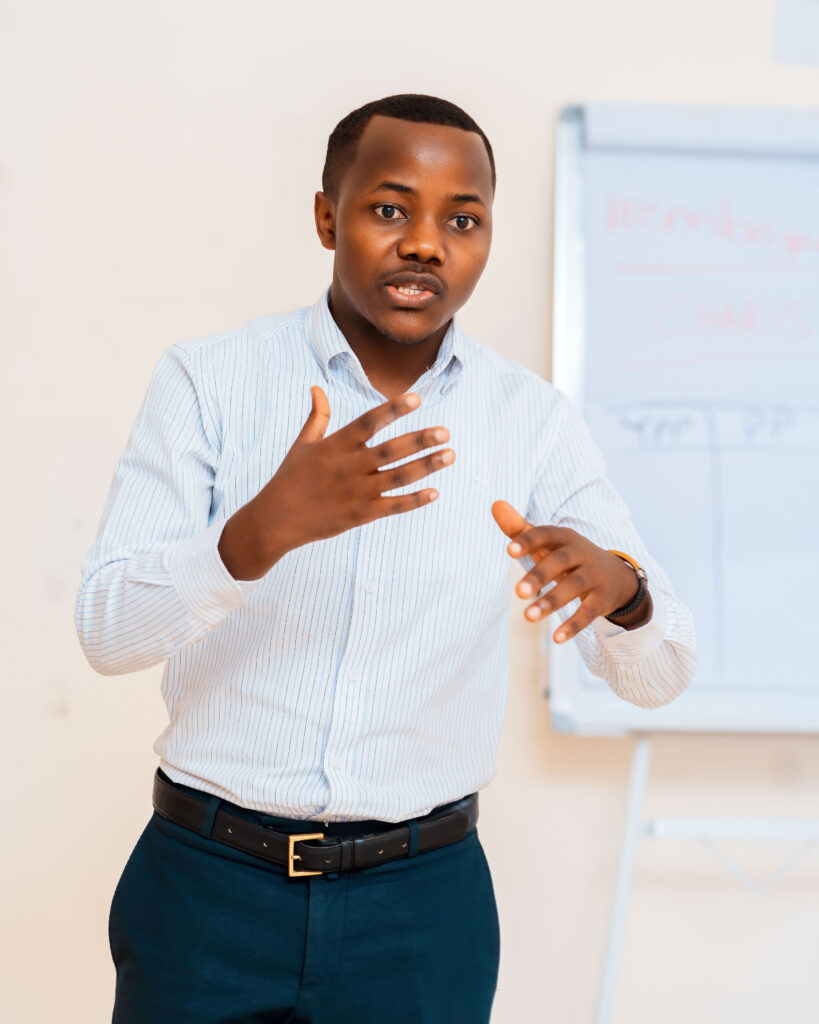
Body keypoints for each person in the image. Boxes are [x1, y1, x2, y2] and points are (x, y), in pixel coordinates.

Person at [75, 93, 696, 1024]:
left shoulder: (532, 423)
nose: (425, 244)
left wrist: (625, 594)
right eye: (389, 208)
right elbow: (106, 632)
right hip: (206, 890)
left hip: (420, 908)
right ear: (328, 217)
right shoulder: (209, 380)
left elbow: (662, 674)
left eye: (462, 220)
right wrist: (254, 537)